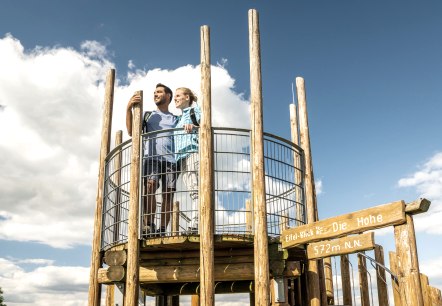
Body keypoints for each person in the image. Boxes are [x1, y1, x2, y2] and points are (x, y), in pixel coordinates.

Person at [126, 83, 178, 237]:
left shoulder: (176, 118)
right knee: (150, 187)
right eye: (154, 92)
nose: (155, 94)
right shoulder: (149, 115)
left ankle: (162, 229)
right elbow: (131, 131)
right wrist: (128, 108)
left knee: (168, 194)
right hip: (151, 158)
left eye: (159, 92)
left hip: (171, 161)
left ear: (168, 96)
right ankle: (149, 225)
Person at [174, 87, 201, 234]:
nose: (175, 99)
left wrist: (195, 126)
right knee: (192, 189)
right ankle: (196, 222)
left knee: (195, 190)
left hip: (192, 153)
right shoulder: (178, 119)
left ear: (187, 98)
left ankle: (195, 224)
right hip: (181, 158)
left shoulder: (195, 112)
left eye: (178, 96)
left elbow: (206, 126)